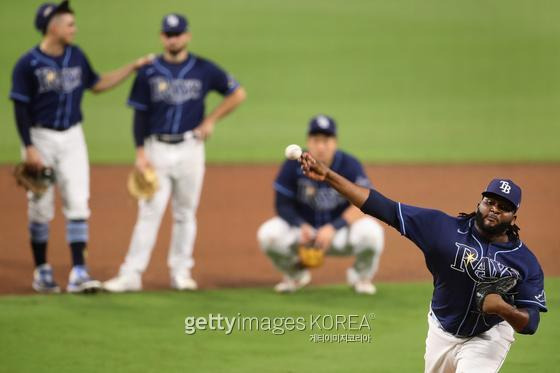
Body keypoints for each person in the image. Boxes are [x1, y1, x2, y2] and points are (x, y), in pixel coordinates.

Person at [299, 152, 547, 372]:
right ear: (479, 203)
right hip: (441, 329)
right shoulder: (441, 228)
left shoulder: (524, 262)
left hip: (488, 336)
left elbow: (531, 323)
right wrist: (329, 176)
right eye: (489, 202)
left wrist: (504, 309)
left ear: (514, 217)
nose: (493, 209)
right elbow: (381, 207)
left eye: (503, 207)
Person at [9, 1, 153, 293]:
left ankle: (78, 272)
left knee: (78, 202)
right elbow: (20, 108)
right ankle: (42, 270)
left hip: (73, 138)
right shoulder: (28, 64)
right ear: (53, 27)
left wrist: (132, 68)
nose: (74, 29)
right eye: (69, 24)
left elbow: (97, 84)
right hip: (40, 139)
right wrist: (29, 148)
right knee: (40, 207)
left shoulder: (76, 55)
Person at [103, 13, 246, 292]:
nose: (173, 39)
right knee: (149, 212)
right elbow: (139, 115)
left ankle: (180, 273)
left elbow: (237, 93)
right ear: (161, 37)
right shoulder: (148, 71)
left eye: (178, 34)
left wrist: (211, 119)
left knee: (185, 213)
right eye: (168, 34)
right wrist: (140, 152)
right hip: (156, 149)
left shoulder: (203, 69)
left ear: (187, 36)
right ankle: (131, 274)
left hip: (191, 148)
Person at [257, 115, 385, 294]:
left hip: (339, 234)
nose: (321, 146)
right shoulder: (293, 165)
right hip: (303, 235)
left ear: (335, 142)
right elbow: (282, 205)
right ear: (308, 142)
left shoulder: (349, 165)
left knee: (372, 234)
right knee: (268, 235)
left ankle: (361, 278)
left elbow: (365, 204)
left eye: (326, 140)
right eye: (316, 140)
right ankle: (294, 275)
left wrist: (333, 227)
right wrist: (300, 226)